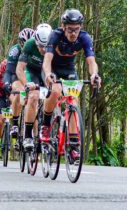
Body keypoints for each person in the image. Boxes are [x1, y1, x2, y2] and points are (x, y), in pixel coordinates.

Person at [40, 9, 102, 158]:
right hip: (52, 69)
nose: (73, 33)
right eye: (70, 29)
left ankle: (74, 145)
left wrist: (94, 74)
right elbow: (47, 60)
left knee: (73, 100)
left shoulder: (85, 38)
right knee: (55, 91)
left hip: (69, 69)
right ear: (63, 26)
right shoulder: (55, 36)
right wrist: (48, 74)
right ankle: (46, 125)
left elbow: (91, 61)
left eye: (76, 29)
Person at [16, 23, 52, 149]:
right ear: (35, 41)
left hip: (47, 71)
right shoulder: (29, 44)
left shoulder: (55, 43)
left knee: (54, 94)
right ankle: (28, 136)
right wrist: (27, 83)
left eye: (46, 46)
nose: (43, 49)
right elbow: (20, 69)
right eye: (40, 46)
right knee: (34, 96)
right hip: (32, 71)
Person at [2, 28, 35, 150]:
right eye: (23, 44)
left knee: (34, 102)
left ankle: (35, 135)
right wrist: (6, 83)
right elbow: (9, 71)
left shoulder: (36, 49)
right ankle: (15, 124)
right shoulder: (15, 51)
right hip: (16, 74)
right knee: (19, 93)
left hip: (31, 75)